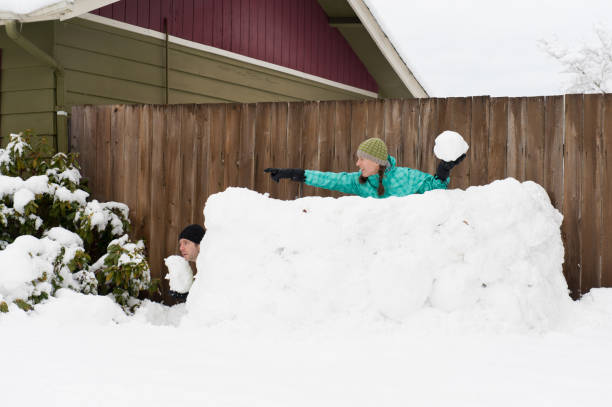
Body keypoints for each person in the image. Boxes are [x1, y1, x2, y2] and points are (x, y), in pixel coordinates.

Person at [264, 137, 465, 198]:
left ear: (376, 162)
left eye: (362, 159)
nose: (358, 164)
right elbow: (330, 179)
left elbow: (435, 190)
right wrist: (292, 173)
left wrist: (443, 170)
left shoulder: (405, 177)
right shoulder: (358, 182)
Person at [170, 224, 205, 302]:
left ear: (199, 244)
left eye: (186, 243)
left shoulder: (211, 267)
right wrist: (187, 294)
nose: (181, 248)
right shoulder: (202, 267)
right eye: (180, 244)